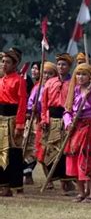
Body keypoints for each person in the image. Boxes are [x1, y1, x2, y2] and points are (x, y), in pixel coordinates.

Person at [64, 63, 91, 203]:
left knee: (88, 159)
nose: (80, 77)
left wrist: (90, 98)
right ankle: (81, 192)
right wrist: (68, 122)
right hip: (75, 127)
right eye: (78, 74)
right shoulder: (74, 90)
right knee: (73, 157)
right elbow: (67, 110)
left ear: (90, 77)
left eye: (84, 74)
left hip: (90, 128)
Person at [40, 53, 76, 193]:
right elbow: (44, 104)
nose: (61, 67)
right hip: (52, 119)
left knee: (65, 151)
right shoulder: (49, 82)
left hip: (66, 119)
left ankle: (66, 183)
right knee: (51, 151)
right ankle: (58, 180)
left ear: (69, 67)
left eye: (64, 64)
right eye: (59, 64)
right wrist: (44, 118)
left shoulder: (73, 83)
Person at [23, 62, 58, 185]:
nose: (47, 76)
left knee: (52, 152)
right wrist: (30, 110)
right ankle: (48, 181)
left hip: (53, 123)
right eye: (45, 73)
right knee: (40, 153)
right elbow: (30, 103)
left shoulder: (57, 87)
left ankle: (61, 180)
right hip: (37, 123)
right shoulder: (37, 88)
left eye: (50, 73)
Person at [0, 48, 27, 197]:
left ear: (14, 64)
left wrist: (19, 125)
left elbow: (22, 104)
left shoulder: (19, 80)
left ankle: (15, 185)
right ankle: (3, 185)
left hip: (12, 120)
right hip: (0, 119)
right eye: (3, 61)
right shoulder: (0, 80)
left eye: (8, 62)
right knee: (1, 153)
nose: (4, 64)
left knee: (14, 153)